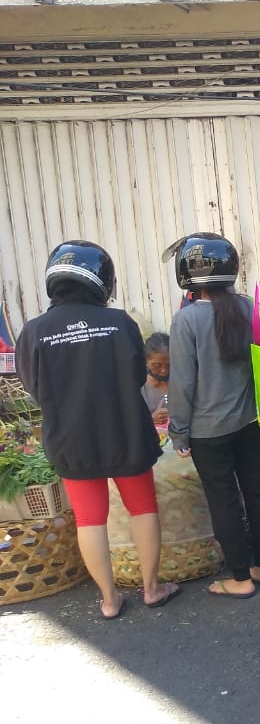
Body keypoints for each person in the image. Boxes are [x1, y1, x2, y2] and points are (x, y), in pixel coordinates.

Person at [16, 241, 180, 617]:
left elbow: (33, 387)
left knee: (89, 518)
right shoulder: (120, 322)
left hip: (71, 437)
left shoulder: (34, 331)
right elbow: (139, 372)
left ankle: (108, 600)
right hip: (124, 429)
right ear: (102, 281)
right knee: (143, 508)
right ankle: (152, 589)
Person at [167, 234, 260, 599]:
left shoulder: (186, 321)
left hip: (208, 431)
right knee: (257, 491)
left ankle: (240, 578)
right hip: (251, 422)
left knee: (224, 500)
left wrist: (179, 433)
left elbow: (182, 383)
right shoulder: (253, 308)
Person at [141, 332, 170, 425]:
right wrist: (150, 419)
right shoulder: (139, 386)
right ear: (146, 360)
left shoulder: (181, 382)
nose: (164, 370)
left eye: (169, 365)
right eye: (157, 365)